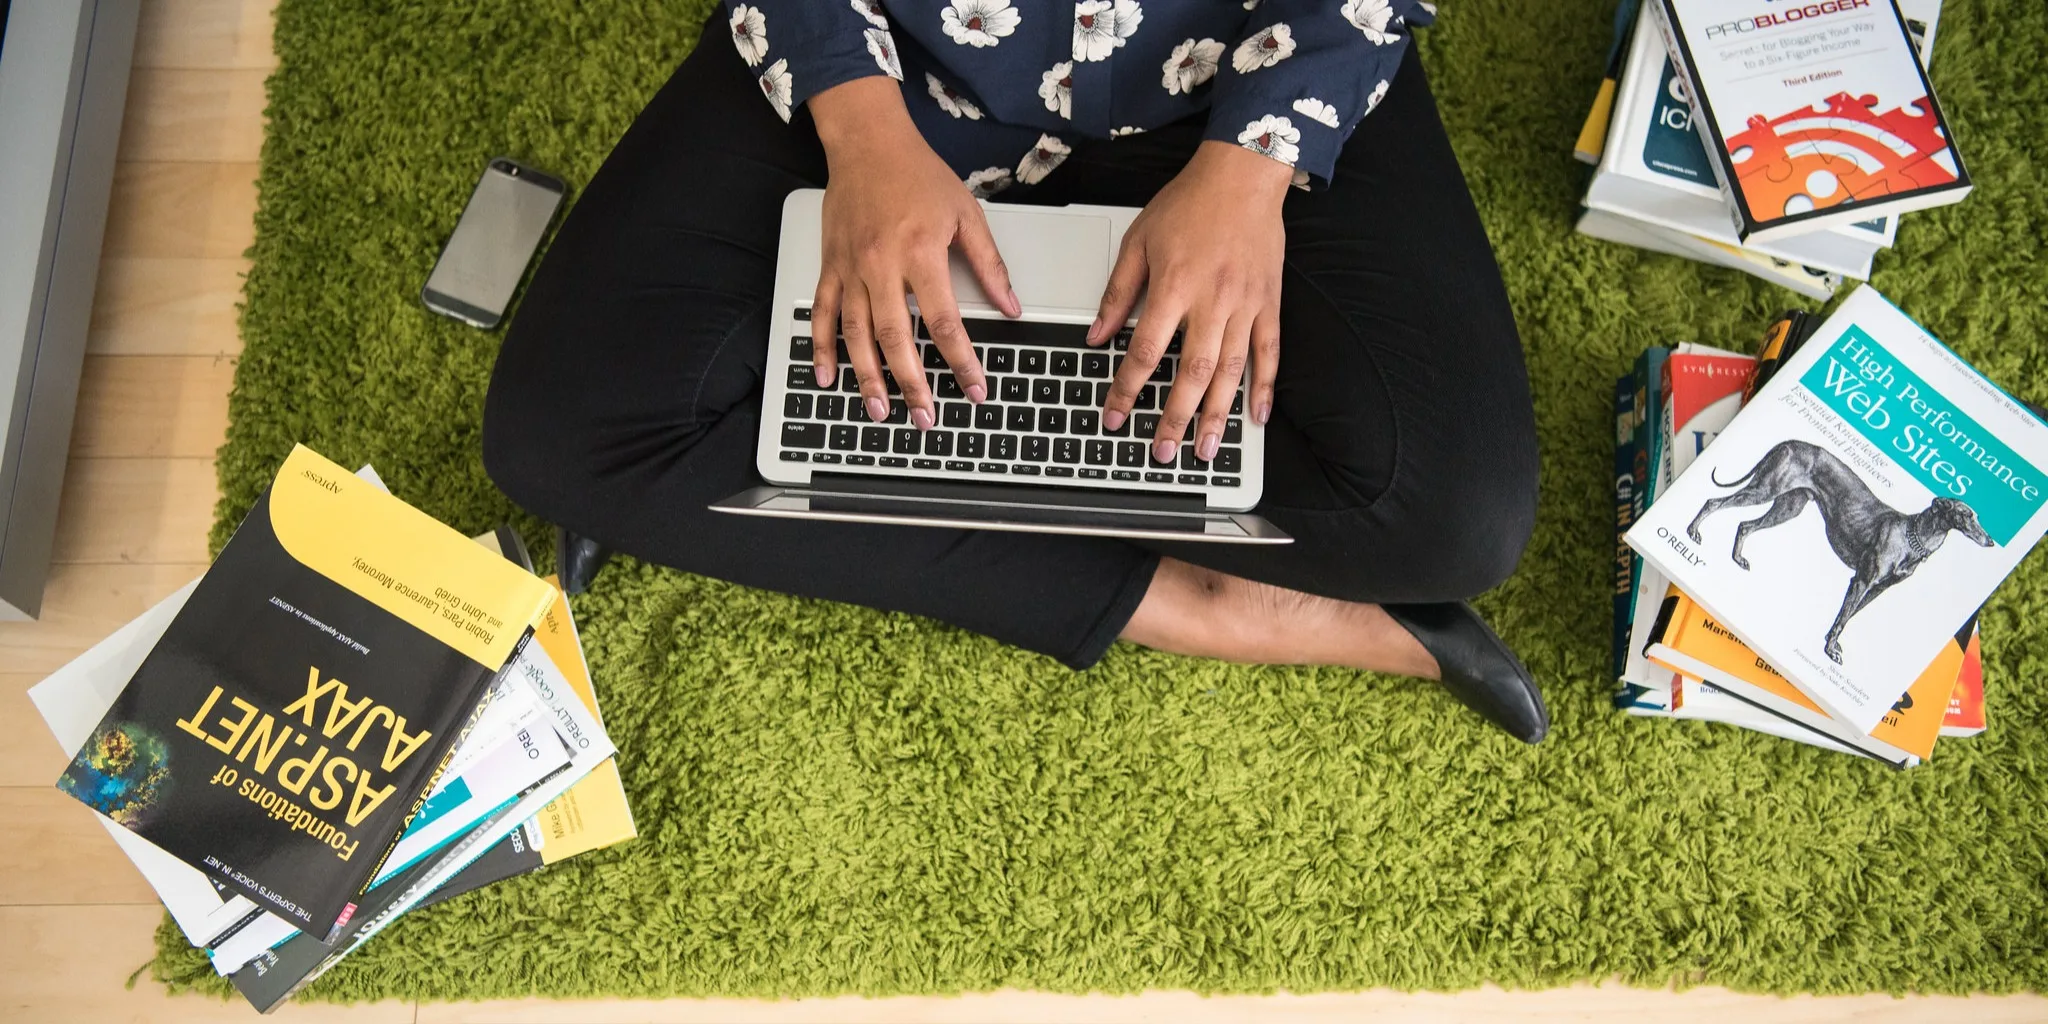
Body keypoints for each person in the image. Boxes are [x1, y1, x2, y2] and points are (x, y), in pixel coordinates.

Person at [483, 0, 1549, 742]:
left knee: (1455, 516)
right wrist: (859, 133)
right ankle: (1196, 601)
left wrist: (1249, 171)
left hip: (1242, 66)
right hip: (886, 60)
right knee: (563, 429)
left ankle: (742, 488)